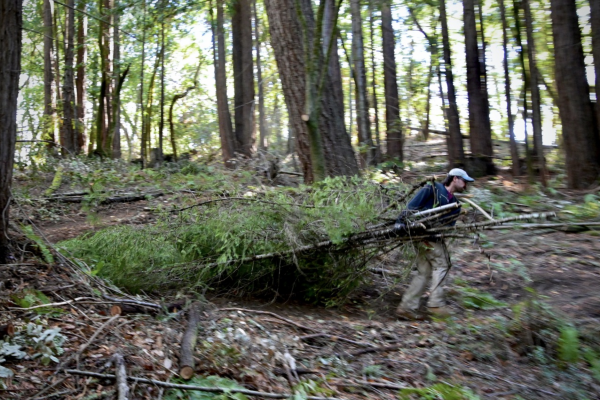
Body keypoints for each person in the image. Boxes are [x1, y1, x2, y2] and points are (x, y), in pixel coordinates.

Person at [395, 168, 474, 320]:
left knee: (424, 271)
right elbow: (413, 205)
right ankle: (436, 305)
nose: (466, 185)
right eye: (464, 181)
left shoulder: (455, 204)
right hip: (423, 235)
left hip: (434, 238)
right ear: (455, 178)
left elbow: (447, 227)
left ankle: (407, 307)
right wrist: (400, 221)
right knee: (442, 264)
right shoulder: (433, 188)